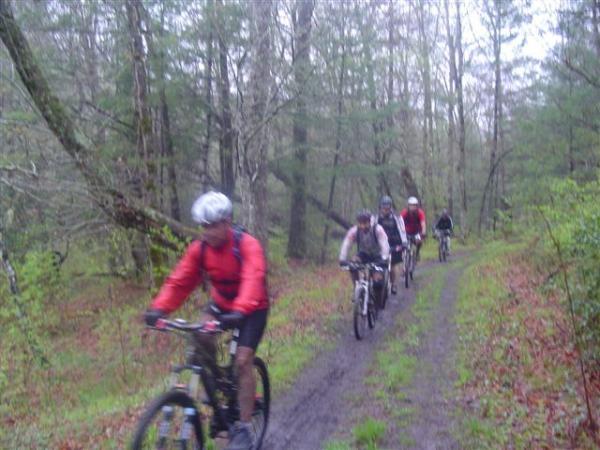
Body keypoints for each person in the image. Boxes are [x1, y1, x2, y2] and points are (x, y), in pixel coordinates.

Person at [144, 191, 268, 450]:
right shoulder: (199, 250)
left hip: (252, 307)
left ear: (227, 222)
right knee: (201, 335)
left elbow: (253, 278)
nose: (208, 232)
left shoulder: (246, 245)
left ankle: (243, 427)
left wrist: (241, 310)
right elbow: (180, 281)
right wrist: (159, 308)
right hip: (222, 304)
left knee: (243, 362)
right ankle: (219, 387)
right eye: (203, 226)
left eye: (212, 226)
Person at [339, 209, 390, 308]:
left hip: (377, 255)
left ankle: (378, 301)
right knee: (352, 264)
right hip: (363, 254)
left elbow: (384, 244)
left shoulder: (378, 229)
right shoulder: (354, 231)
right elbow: (346, 244)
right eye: (360, 223)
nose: (362, 226)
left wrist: (384, 258)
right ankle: (357, 289)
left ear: (370, 221)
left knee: (377, 283)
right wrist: (342, 259)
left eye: (365, 223)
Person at [374, 196, 407, 295]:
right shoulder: (375, 218)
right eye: (383, 208)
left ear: (390, 207)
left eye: (387, 208)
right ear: (380, 207)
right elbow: (372, 230)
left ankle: (394, 284)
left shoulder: (397, 218)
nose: (385, 210)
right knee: (377, 265)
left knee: (392, 266)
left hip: (394, 243)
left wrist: (404, 242)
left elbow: (402, 231)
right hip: (380, 244)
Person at [400, 196, 427, 261]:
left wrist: (423, 232)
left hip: (417, 231)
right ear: (408, 206)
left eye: (414, 205)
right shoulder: (404, 212)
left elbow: (423, 223)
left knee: (419, 241)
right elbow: (399, 222)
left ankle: (417, 253)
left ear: (417, 206)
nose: (413, 207)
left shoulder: (420, 213)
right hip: (406, 231)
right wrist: (400, 230)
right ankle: (403, 255)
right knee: (402, 244)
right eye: (411, 205)